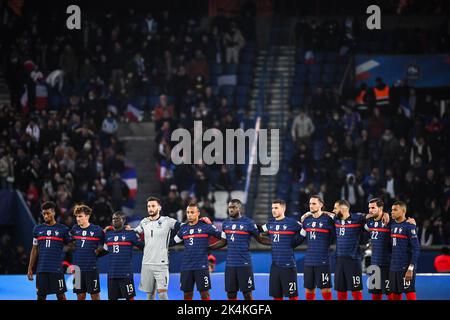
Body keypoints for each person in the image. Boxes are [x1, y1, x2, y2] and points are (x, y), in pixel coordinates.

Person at [209, 199, 271, 300]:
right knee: (230, 294)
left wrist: (276, 243)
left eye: (233, 207)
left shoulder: (249, 223)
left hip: (244, 264)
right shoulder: (225, 224)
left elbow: (261, 239)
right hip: (230, 265)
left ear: (239, 208)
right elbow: (223, 242)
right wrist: (208, 248)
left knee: (247, 294)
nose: (231, 209)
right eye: (229, 207)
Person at [133, 196, 180, 300]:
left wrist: (173, 241)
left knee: (162, 294)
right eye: (149, 206)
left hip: (161, 264)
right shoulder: (144, 222)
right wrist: (140, 244)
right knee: (150, 295)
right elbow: (133, 233)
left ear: (159, 207)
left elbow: (184, 227)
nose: (150, 208)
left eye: (153, 206)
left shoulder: (167, 221)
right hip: (146, 263)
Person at [172, 202, 222, 300]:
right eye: (188, 212)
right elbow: (173, 242)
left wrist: (211, 226)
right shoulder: (183, 228)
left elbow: (222, 237)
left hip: (201, 266)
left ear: (198, 213)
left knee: (205, 294)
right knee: (187, 295)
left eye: (192, 212)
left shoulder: (206, 226)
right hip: (186, 267)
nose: (189, 215)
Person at [27, 201, 70, 300]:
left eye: (48, 213)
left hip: (56, 269)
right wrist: (30, 268)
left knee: (61, 296)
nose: (45, 216)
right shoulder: (37, 229)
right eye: (44, 214)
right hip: (41, 269)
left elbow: (72, 244)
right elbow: (34, 249)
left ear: (53, 213)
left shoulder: (63, 229)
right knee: (41, 297)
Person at [294, 195, 334, 300]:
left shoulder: (328, 220)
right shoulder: (306, 221)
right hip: (309, 261)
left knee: (325, 289)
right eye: (310, 204)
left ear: (321, 205)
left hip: (322, 261)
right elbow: (300, 237)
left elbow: (339, 217)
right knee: (309, 288)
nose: (311, 206)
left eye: (314, 203)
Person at [261, 199, 302, 300]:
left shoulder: (292, 223)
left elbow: (305, 230)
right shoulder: (270, 223)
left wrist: (295, 242)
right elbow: (259, 230)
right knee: (277, 295)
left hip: (288, 266)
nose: (273, 210)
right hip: (275, 266)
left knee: (292, 295)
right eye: (272, 208)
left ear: (283, 209)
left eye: (276, 208)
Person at [101, 211, 144, 300]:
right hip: (112, 274)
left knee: (130, 298)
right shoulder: (108, 234)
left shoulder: (130, 233)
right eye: (113, 219)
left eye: (118, 218)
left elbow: (143, 247)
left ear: (124, 220)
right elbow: (105, 250)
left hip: (126, 274)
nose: (115, 220)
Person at [70, 204, 105, 300]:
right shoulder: (74, 229)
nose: (77, 219)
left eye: (80, 216)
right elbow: (70, 243)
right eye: (76, 216)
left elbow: (107, 243)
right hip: (77, 270)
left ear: (87, 216)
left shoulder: (97, 230)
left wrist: (99, 252)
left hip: (91, 269)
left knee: (95, 296)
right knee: (80, 296)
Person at [389, 201, 420, 300]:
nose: (392, 212)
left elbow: (416, 249)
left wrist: (410, 268)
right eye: (391, 210)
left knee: (409, 292)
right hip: (394, 267)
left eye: (395, 210)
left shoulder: (409, 226)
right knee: (395, 294)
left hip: (405, 267)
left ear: (403, 211)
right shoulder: (391, 225)